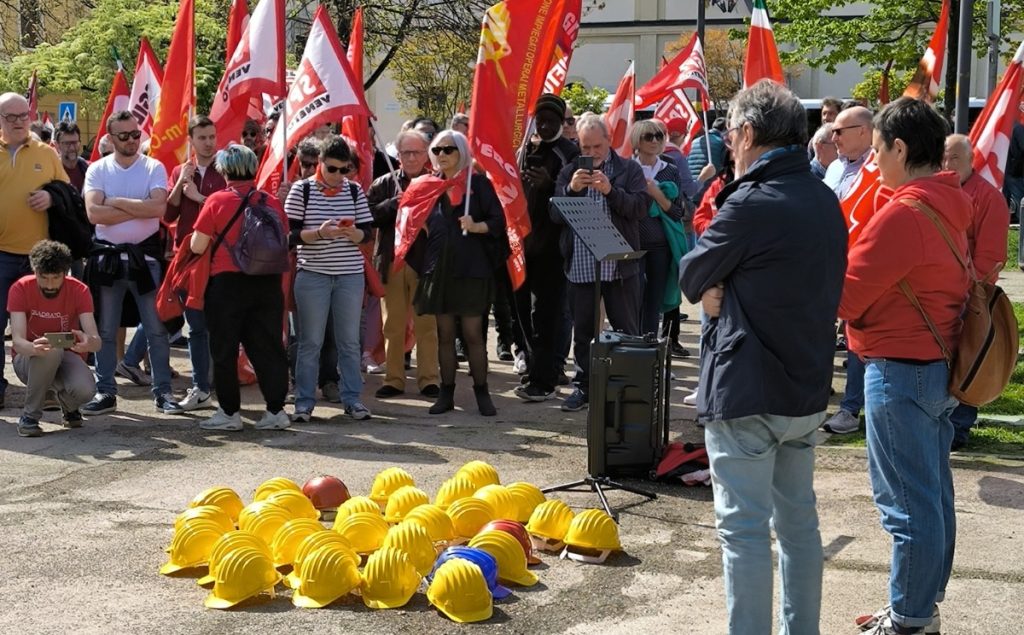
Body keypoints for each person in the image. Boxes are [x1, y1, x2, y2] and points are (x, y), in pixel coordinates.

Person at [678, 80, 847, 635]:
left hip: (749, 390)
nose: (727, 144)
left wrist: (713, 285)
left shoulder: (750, 202)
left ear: (748, 134)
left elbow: (691, 274)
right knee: (799, 525)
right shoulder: (824, 197)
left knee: (744, 532)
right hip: (804, 390)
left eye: (729, 133)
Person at [839, 97, 968, 635]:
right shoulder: (948, 201)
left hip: (899, 366)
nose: (873, 162)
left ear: (899, 147)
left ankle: (911, 616)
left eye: (876, 151)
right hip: (933, 364)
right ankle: (918, 603)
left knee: (907, 506)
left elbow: (845, 297)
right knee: (931, 495)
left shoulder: (903, 212)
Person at [81, 110, 179, 416]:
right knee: (106, 331)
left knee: (156, 329)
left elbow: (159, 208)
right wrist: (140, 209)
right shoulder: (97, 170)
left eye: (136, 134)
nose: (131, 140)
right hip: (108, 260)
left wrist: (115, 202)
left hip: (145, 260)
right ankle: (106, 391)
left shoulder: (153, 166)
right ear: (110, 139)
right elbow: (94, 215)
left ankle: (163, 392)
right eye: (123, 136)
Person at [189, 144, 291, 431]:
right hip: (267, 281)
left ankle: (230, 412)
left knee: (225, 349)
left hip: (227, 284)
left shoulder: (217, 201)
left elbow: (198, 245)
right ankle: (275, 410)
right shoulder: (270, 201)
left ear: (224, 170)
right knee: (269, 347)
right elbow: (283, 237)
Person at [554, 114, 650, 412]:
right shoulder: (569, 171)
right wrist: (571, 191)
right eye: (585, 147)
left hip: (619, 265)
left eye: (597, 146)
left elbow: (640, 209)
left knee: (625, 329)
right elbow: (554, 216)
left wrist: (611, 191)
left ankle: (627, 388)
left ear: (609, 141)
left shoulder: (628, 169)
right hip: (581, 265)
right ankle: (584, 385)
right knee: (583, 330)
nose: (592, 153)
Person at [413, 130, 505, 416]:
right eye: (437, 150)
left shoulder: (478, 184)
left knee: (473, 334)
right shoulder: (430, 186)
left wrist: (477, 226)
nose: (441, 155)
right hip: (439, 269)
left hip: (472, 269)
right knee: (445, 334)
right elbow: (411, 215)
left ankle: (482, 393)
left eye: (448, 149)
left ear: (461, 151)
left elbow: (499, 222)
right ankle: (446, 394)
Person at [285, 135, 375, 422]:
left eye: (344, 169)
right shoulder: (302, 190)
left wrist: (354, 234)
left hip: (349, 275)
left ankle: (353, 400)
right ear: (319, 164)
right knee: (310, 342)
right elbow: (290, 236)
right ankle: (304, 403)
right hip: (313, 275)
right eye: (332, 169)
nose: (338, 175)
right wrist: (320, 233)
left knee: (349, 342)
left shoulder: (354, 191)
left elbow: (368, 232)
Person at [0, 92, 69, 409]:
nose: (17, 122)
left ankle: (50, 389)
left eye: (22, 116)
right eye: (9, 117)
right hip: (0, 255)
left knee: (46, 325)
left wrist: (52, 199)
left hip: (39, 259)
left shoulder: (47, 153)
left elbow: (69, 196)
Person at [942, 133, 1010, 450]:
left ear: (972, 160)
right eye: (943, 156)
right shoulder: (936, 193)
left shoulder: (988, 197)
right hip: (938, 295)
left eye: (954, 157)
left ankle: (959, 426)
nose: (947, 163)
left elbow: (991, 256)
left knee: (968, 359)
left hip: (971, 299)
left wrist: (965, 289)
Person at [513, 93, 579, 402]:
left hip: (554, 249)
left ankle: (545, 379)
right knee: (522, 312)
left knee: (547, 315)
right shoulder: (525, 149)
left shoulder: (570, 153)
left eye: (551, 120)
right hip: (522, 246)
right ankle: (535, 366)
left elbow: (575, 200)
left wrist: (549, 184)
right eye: (540, 119)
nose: (544, 125)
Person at [368, 129, 439, 400]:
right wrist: (392, 205)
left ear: (426, 155)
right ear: (398, 155)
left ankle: (429, 379)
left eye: (416, 152)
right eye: (406, 152)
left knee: (426, 325)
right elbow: (368, 216)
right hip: (391, 262)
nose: (410, 158)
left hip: (424, 263)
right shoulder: (383, 183)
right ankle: (394, 379)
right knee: (393, 325)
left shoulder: (435, 184)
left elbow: (445, 222)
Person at [164, 115, 227, 413]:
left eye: (212, 136)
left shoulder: (226, 169)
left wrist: (200, 197)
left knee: (220, 326)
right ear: (191, 140)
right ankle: (201, 387)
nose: (209, 142)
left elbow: (226, 210)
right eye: (202, 137)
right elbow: (168, 215)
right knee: (197, 327)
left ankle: (222, 388)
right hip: (188, 259)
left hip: (218, 258)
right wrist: (180, 183)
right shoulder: (181, 170)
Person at [9, 240, 101, 437]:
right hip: (28, 359)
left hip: (67, 356)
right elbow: (17, 341)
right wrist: (33, 348)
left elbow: (96, 340)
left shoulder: (79, 290)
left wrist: (88, 342)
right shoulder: (20, 288)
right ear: (34, 271)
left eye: (56, 277)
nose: (50, 284)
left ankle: (69, 406)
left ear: (66, 272)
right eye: (44, 277)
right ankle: (29, 417)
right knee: (50, 350)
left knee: (85, 391)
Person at [821, 105, 875, 435]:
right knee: (826, 332)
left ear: (864, 131)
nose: (833, 137)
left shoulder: (877, 169)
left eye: (840, 131)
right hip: (830, 261)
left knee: (857, 337)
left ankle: (851, 407)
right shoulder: (836, 168)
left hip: (862, 266)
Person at [629, 118, 686, 338]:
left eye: (659, 136)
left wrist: (657, 195)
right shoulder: (629, 168)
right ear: (637, 140)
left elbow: (678, 211)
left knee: (653, 301)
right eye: (648, 136)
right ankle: (631, 349)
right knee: (633, 300)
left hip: (661, 245)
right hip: (632, 245)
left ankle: (649, 351)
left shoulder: (670, 170)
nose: (655, 141)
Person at [823, 105, 873, 197]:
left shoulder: (879, 170)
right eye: (833, 132)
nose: (834, 138)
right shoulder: (835, 166)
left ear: (861, 131)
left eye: (838, 132)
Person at [54, 121, 90, 193]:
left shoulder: (87, 168)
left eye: (75, 143)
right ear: (57, 145)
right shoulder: (51, 172)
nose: (72, 148)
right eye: (67, 143)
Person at [1004, 121, 1024, 222]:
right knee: (1021, 203)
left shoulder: (1014, 127)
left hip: (1012, 172)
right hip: (1016, 173)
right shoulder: (1019, 128)